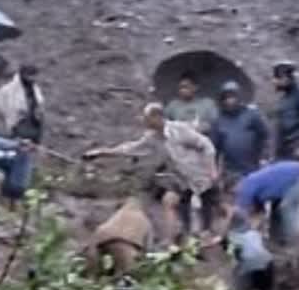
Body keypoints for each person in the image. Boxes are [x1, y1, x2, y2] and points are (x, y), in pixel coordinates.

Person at [83, 102, 219, 243]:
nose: (144, 120)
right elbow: (130, 148)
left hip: (200, 174)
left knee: (207, 207)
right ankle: (173, 240)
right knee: (170, 202)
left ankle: (208, 234)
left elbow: (205, 144)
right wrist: (103, 152)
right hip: (181, 179)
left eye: (146, 117)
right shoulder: (152, 137)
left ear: (157, 117)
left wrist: (212, 169)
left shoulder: (179, 130)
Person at [220, 160, 299, 248]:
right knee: (277, 209)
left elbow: (239, 214)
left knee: (287, 206)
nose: (236, 197)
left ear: (234, 186)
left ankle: (293, 243)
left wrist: (225, 234)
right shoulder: (260, 189)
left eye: (233, 194)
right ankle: (275, 243)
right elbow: (258, 216)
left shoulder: (247, 184)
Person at [0, 64, 46, 203]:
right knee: (12, 169)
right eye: (29, 75)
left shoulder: (35, 92)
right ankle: (8, 198)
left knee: (23, 169)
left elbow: (39, 114)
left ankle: (15, 199)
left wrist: (38, 138)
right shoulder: (7, 92)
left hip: (30, 133)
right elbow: (2, 114)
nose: (32, 79)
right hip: (12, 135)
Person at [209, 80, 270, 191]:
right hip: (231, 172)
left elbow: (265, 135)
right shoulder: (219, 121)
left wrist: (264, 157)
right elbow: (214, 149)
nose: (229, 101)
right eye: (226, 98)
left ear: (239, 97)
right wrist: (214, 171)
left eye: (232, 97)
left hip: (253, 167)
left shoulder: (252, 115)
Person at [84, 196, 154, 278]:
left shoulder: (117, 215)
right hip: (125, 243)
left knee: (93, 277)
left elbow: (101, 230)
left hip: (98, 240)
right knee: (126, 277)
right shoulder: (145, 220)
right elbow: (147, 250)